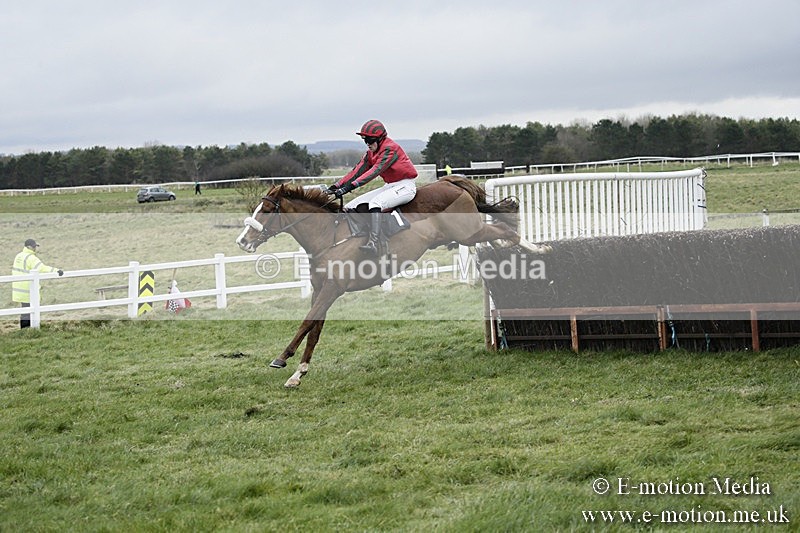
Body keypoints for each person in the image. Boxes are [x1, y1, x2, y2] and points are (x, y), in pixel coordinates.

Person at [327, 120, 418, 255]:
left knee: (375, 203)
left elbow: (374, 171)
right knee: (351, 205)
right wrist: (337, 186)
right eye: (365, 140)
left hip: (405, 186)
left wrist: (349, 187)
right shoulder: (370, 153)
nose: (367, 143)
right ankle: (357, 237)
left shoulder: (390, 149)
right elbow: (357, 171)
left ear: (380, 139)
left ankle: (373, 243)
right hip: (390, 186)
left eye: (370, 140)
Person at [11, 239, 63, 328]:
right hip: (28, 290)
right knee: (30, 312)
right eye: (34, 246)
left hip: (18, 289)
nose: (35, 248)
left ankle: (25, 330)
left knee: (25, 311)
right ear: (29, 247)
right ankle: (28, 330)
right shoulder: (31, 258)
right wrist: (56, 270)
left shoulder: (18, 256)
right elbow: (41, 268)